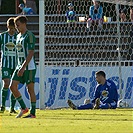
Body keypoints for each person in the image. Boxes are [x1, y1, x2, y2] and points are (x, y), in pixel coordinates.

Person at [10, 15, 36, 118]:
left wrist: (23, 67)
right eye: (16, 25)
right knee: (12, 86)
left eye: (18, 25)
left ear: (24, 24)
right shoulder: (18, 36)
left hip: (28, 67)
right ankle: (24, 108)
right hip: (19, 65)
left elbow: (30, 53)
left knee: (30, 90)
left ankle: (33, 113)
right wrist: (19, 66)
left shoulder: (29, 35)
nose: (16, 27)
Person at [0, 17, 17, 113]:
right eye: (10, 28)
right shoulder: (2, 36)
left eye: (13, 28)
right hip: (5, 64)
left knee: (14, 86)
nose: (11, 30)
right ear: (7, 27)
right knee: (6, 83)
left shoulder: (18, 37)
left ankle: (12, 108)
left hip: (15, 65)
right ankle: (2, 106)